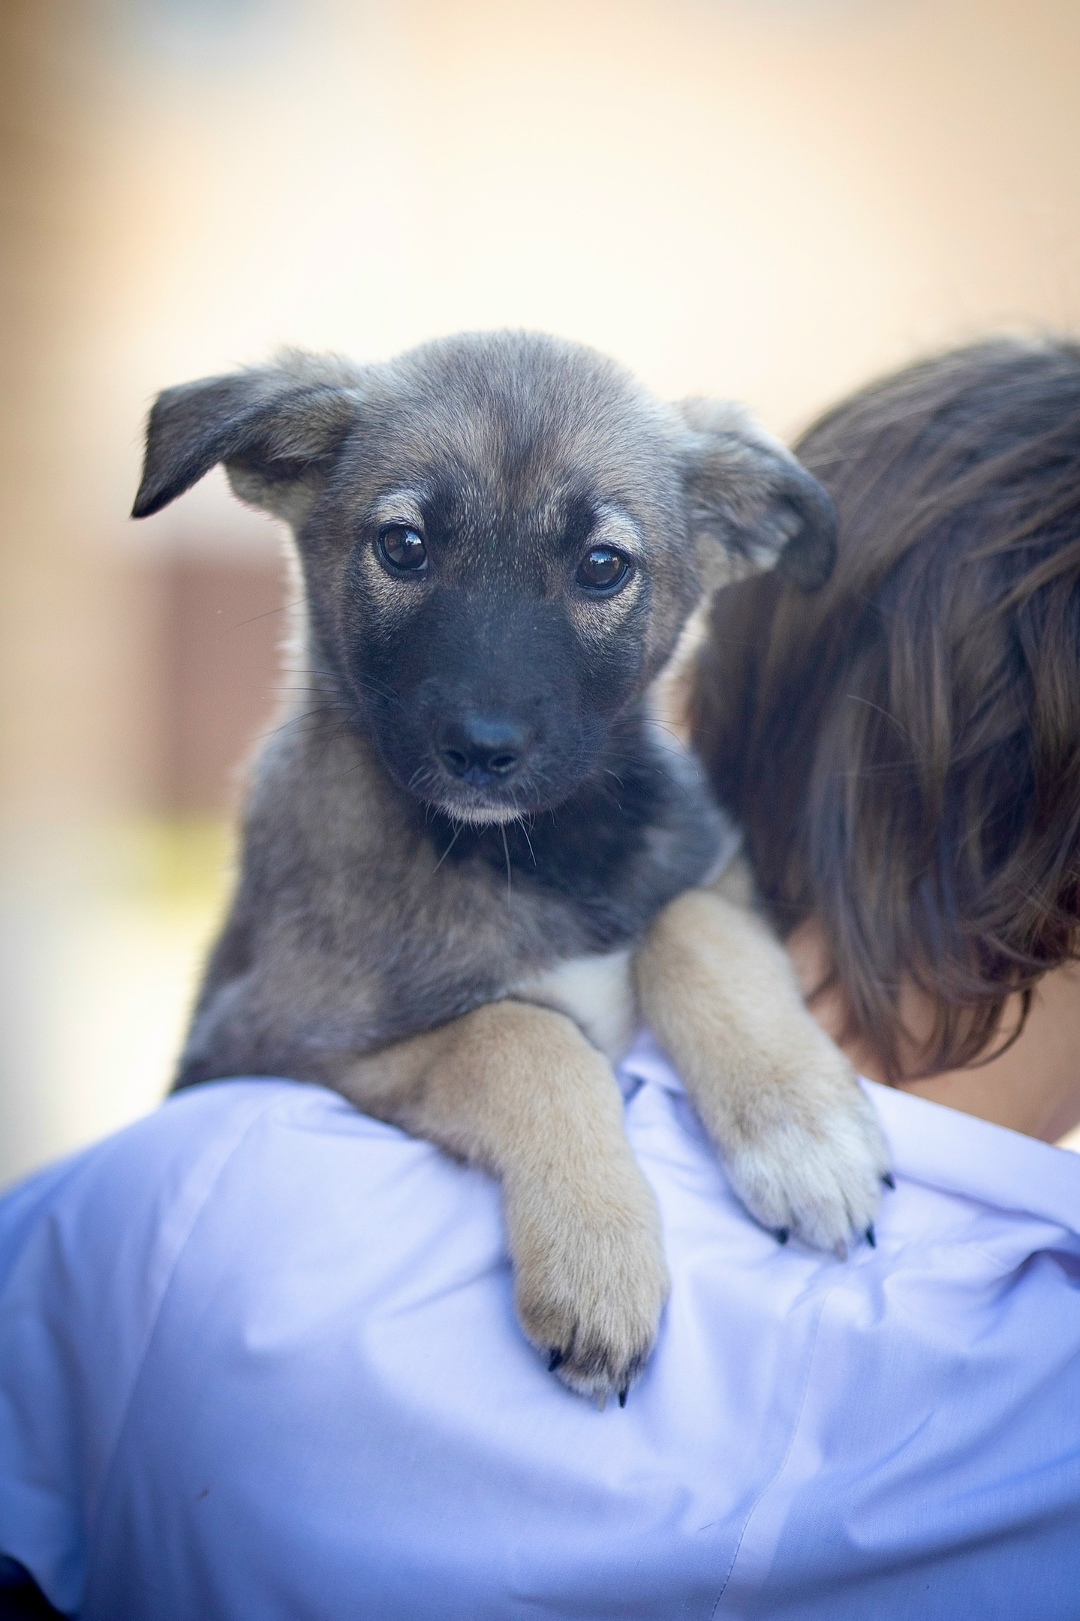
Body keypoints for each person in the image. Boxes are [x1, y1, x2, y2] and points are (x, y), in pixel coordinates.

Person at [2, 338, 1079, 1621]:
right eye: (408, 548)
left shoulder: (175, 1212)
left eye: (601, 569)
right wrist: (528, 1072)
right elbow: (289, 1044)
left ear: (730, 566)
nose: (489, 713)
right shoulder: (1038, 1424)